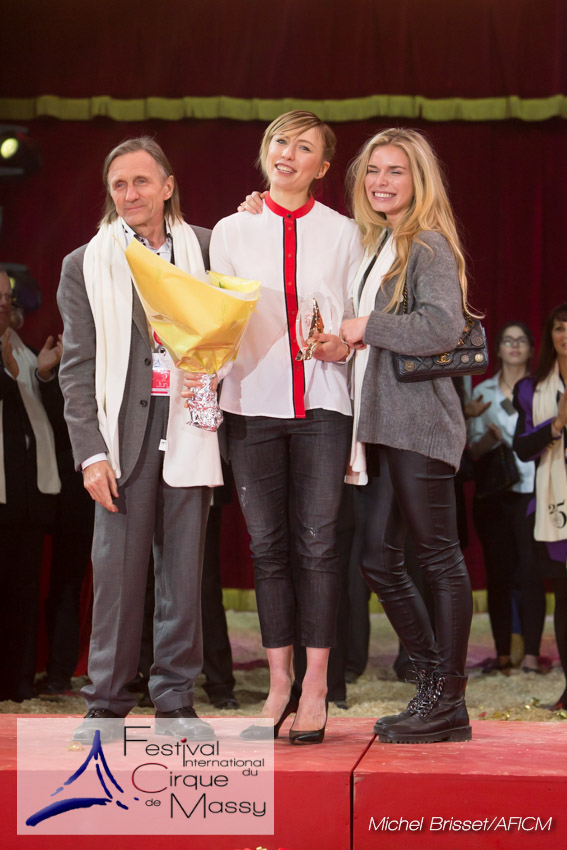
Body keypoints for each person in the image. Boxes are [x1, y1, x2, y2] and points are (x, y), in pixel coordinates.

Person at [57, 137, 222, 742]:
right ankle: (105, 703)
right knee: (118, 573)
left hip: (189, 420)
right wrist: (90, 453)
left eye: (142, 181)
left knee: (183, 571)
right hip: (121, 433)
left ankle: (175, 701)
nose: (130, 194)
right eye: (119, 184)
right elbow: (76, 368)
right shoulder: (84, 263)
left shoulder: (207, 247)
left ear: (168, 186)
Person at [209, 110, 362, 744]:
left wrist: (342, 346)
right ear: (264, 152)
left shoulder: (346, 233)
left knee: (319, 546)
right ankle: (278, 685)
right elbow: (217, 318)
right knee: (268, 548)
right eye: (280, 142)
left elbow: (357, 320)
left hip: (324, 404)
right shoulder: (231, 230)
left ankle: (317, 687)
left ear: (322, 166)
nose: (288, 154)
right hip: (252, 404)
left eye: (304, 147)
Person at [340, 128, 474, 744]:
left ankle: (448, 699)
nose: (381, 181)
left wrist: (366, 325)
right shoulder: (379, 244)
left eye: (396, 170)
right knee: (376, 559)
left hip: (420, 423)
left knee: (439, 558)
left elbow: (443, 327)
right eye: (374, 170)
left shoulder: (427, 243)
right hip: (383, 426)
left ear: (419, 181)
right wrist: (346, 339)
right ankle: (433, 684)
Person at [468, 322, 546, 675]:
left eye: (521, 340)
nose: (514, 346)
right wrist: (491, 438)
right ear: (497, 349)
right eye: (507, 341)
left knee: (530, 571)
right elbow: (472, 450)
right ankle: (502, 655)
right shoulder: (481, 392)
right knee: (498, 573)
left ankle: (531, 655)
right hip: (495, 493)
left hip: (534, 490)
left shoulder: (541, 388)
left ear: (531, 348)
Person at [0, 267, 62, 701]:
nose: (5, 304)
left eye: (8, 297)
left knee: (23, 592)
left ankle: (20, 680)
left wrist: (42, 375)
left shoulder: (22, 351)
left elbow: (46, 421)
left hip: (29, 494)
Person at [513, 303, 567, 712]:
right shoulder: (532, 389)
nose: (566, 336)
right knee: (564, 597)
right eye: (559, 328)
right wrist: (556, 424)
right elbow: (522, 448)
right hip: (554, 506)